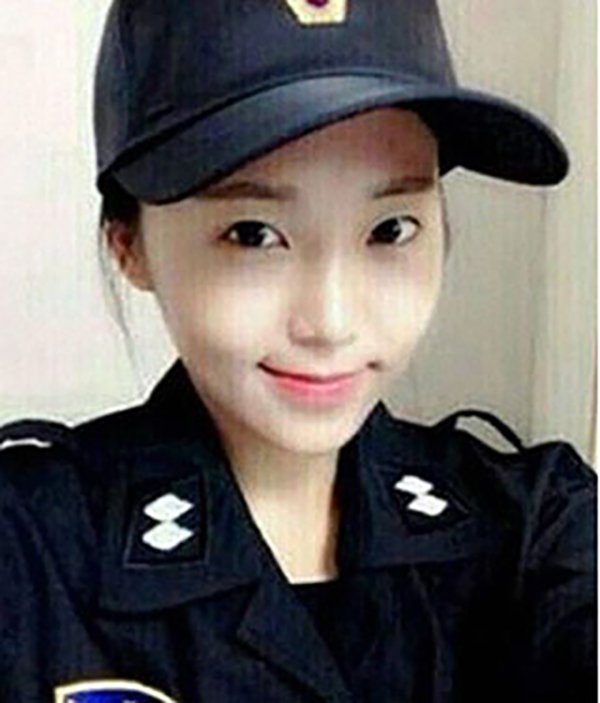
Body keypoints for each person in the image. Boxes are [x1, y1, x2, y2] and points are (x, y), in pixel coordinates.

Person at [0, 1, 595, 702]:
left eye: (391, 229)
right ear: (128, 243)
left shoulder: (535, 524)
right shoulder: (28, 553)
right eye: (254, 234)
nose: (332, 322)